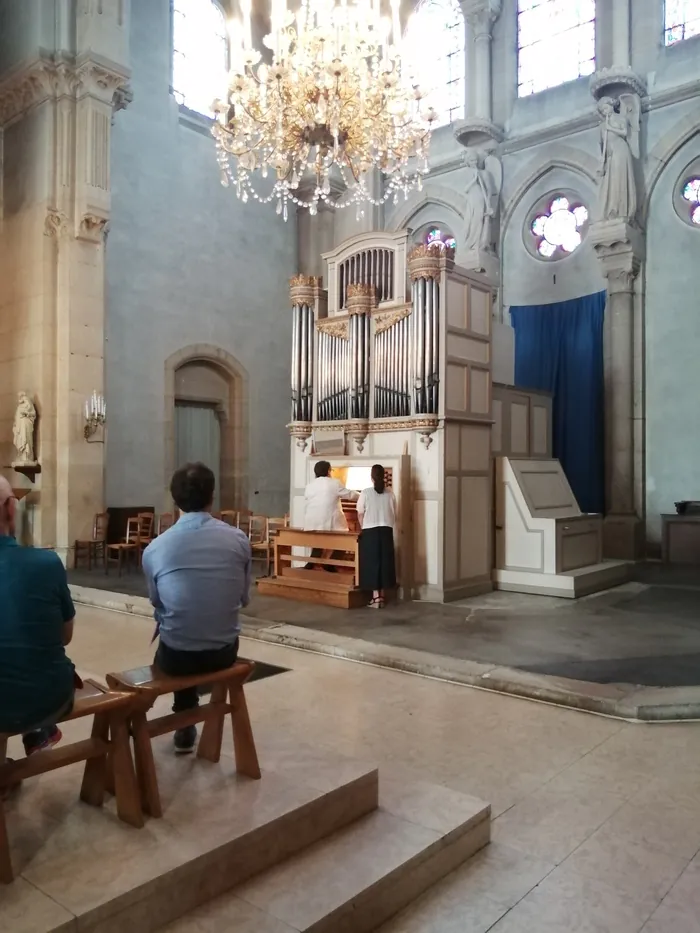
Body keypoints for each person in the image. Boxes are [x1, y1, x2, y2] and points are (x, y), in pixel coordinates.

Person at [142, 462, 251, 754]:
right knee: (190, 627)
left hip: (178, 657)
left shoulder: (155, 548)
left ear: (174, 499)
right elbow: (242, 598)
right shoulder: (238, 540)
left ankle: (184, 717)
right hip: (225, 650)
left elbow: (157, 602)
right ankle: (187, 715)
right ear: (211, 497)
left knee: (175, 636)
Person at [0, 476, 76, 757]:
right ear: (10, 509)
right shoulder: (46, 563)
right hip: (47, 696)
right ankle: (39, 731)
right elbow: (65, 636)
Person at [303, 460, 358, 571]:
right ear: (328, 471)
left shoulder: (309, 486)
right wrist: (365, 495)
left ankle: (311, 563)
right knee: (345, 541)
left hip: (312, 521)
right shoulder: (334, 483)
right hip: (329, 520)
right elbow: (351, 495)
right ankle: (330, 563)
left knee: (318, 541)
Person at [356, 464, 397, 609]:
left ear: (371, 477)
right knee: (385, 562)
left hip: (370, 531)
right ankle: (383, 596)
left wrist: (363, 526)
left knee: (373, 563)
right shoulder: (390, 493)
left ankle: (375, 597)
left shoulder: (366, 493)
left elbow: (360, 513)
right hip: (386, 530)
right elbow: (394, 513)